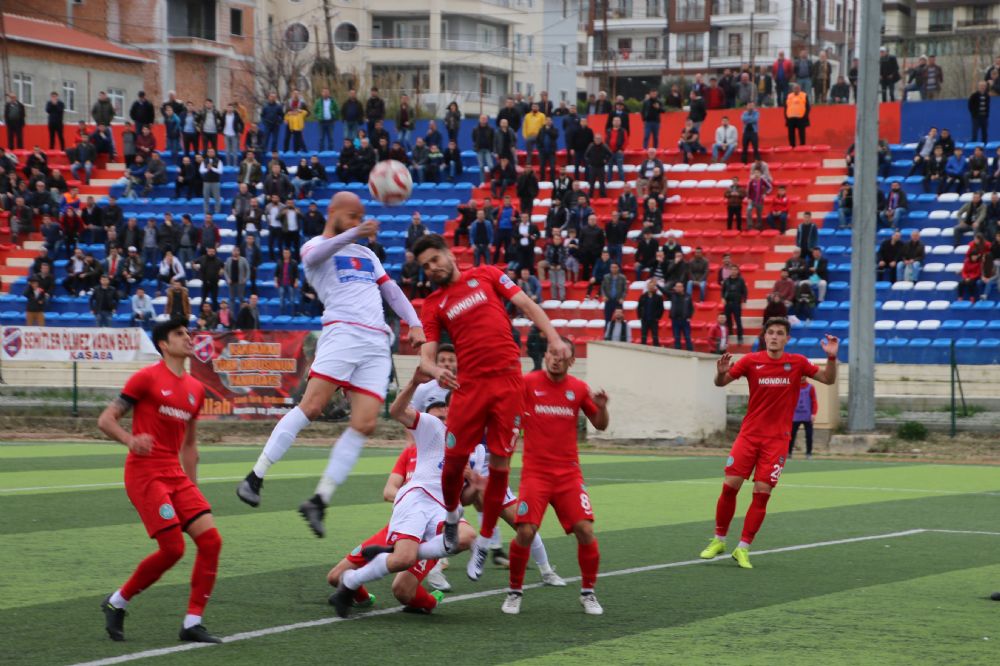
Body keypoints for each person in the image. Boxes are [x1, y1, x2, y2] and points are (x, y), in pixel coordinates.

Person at [237, 193, 425, 537]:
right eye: (352, 216)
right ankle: (255, 476)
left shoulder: (367, 254)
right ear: (333, 213)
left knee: (365, 423)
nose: (358, 223)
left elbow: (392, 291)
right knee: (312, 406)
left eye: (361, 218)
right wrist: (354, 233)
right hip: (343, 333)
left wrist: (414, 322)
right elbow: (320, 251)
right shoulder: (315, 248)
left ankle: (319, 500)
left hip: (376, 342)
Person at [412, 233, 572, 578]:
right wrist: (436, 369)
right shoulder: (434, 303)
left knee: (500, 465)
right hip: (469, 388)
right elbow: (426, 356)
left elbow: (527, 306)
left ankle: (484, 542)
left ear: (448, 254)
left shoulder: (486, 274)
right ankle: (452, 517)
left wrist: (554, 337)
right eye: (425, 267)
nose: (432, 268)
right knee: (453, 461)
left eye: (434, 260)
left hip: (508, 384)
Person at [96, 319, 222, 643]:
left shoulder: (196, 389)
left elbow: (190, 445)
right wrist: (129, 439)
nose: (187, 338)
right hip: (145, 473)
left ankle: (193, 623)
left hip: (175, 475)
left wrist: (192, 486)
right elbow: (106, 420)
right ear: (164, 344)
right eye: (179, 334)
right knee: (173, 549)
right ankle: (117, 602)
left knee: (211, 541)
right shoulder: (147, 378)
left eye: (188, 333)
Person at [327, 370, 480, 618]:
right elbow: (398, 412)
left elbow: (466, 500)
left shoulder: (471, 448)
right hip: (417, 499)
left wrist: (476, 483)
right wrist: (413, 382)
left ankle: (381, 559)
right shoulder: (434, 427)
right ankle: (357, 580)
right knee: (401, 561)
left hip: (440, 510)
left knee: (467, 537)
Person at [701, 320, 838, 568]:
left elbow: (828, 379)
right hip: (749, 436)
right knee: (730, 486)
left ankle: (743, 547)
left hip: (777, 441)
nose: (774, 337)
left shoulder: (797, 363)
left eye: (780, 334)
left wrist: (831, 358)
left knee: (762, 493)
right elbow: (720, 383)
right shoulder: (750, 361)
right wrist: (720, 373)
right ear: (765, 337)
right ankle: (719, 539)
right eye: (771, 333)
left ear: (787, 339)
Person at [500, 341, 609, 616]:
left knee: (585, 530)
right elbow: (506, 410)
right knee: (525, 531)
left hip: (568, 475)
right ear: (545, 355)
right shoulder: (528, 383)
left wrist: (602, 407)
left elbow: (600, 424)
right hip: (535, 474)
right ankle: (514, 591)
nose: (555, 360)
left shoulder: (579, 388)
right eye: (551, 354)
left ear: (571, 362)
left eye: (561, 357)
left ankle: (588, 592)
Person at [788, 378, 818, 459]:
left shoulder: (811, 387)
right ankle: (789, 453)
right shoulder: (793, 387)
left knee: (809, 435)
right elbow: (789, 401)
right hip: (795, 416)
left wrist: (813, 414)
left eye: (803, 375)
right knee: (791, 435)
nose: (801, 377)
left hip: (807, 416)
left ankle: (809, 453)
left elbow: (814, 401)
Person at [722, 265, 747, 344]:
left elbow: (744, 291)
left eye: (735, 270)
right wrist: (722, 298)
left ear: (738, 271)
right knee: (727, 320)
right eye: (732, 269)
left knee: (738, 320)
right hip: (728, 303)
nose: (733, 271)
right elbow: (722, 291)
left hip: (737, 303)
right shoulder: (726, 281)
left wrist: (744, 301)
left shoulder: (741, 280)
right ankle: (729, 333)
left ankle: (740, 337)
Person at [637, 279, 664, 346]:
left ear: (654, 287)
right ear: (647, 287)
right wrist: (640, 316)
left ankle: (656, 347)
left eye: (652, 286)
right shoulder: (643, 296)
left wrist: (658, 317)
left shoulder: (658, 297)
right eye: (649, 286)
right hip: (644, 318)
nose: (651, 287)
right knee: (643, 334)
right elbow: (639, 307)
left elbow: (661, 308)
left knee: (655, 335)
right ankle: (643, 347)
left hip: (654, 319)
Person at [668, 281, 693, 351]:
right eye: (676, 287)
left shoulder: (688, 296)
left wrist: (689, 317)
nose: (678, 288)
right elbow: (664, 291)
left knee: (687, 336)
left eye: (679, 287)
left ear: (683, 288)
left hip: (685, 320)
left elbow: (691, 308)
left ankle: (690, 351)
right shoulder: (672, 295)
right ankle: (677, 352)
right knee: (676, 337)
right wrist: (657, 285)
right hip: (675, 320)